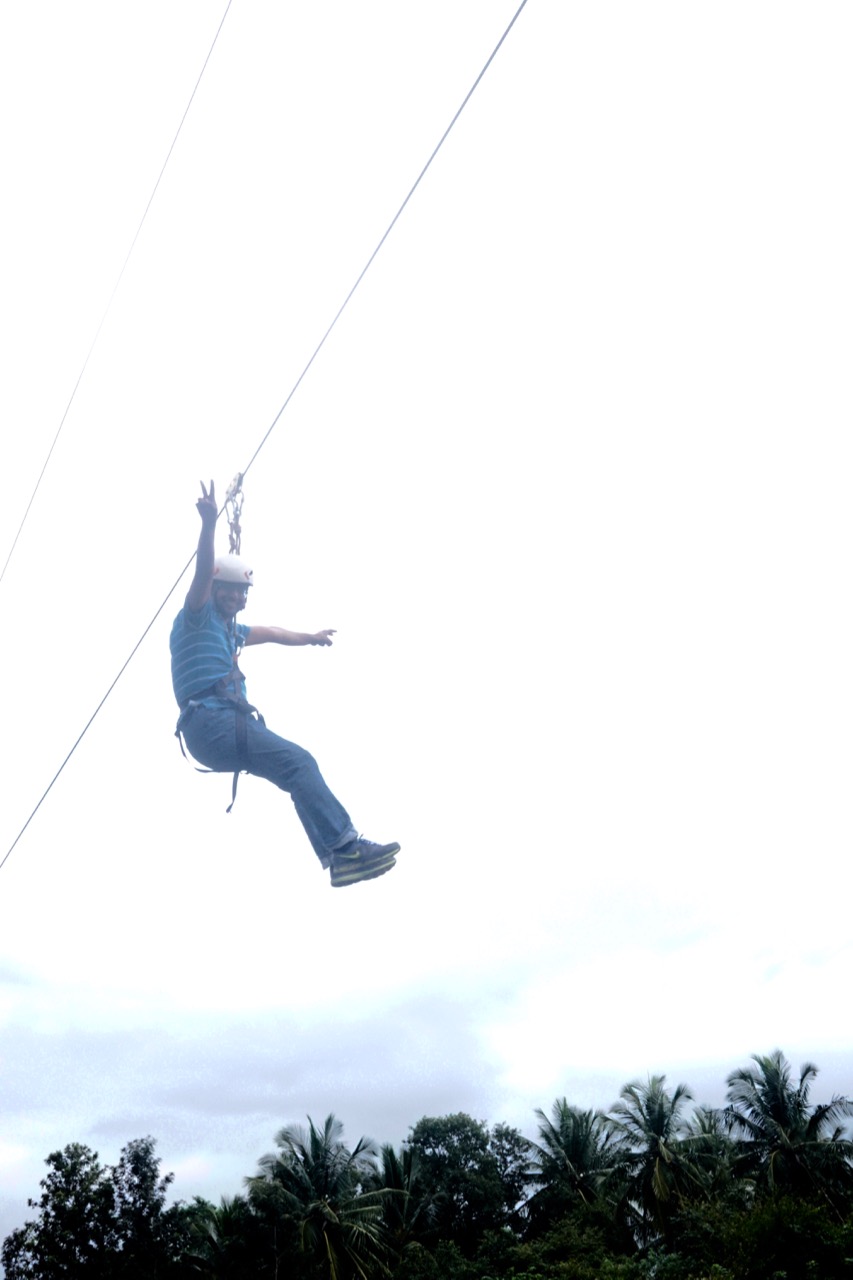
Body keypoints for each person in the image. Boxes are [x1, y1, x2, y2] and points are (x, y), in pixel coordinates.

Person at [170, 480, 400, 887]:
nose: (236, 599)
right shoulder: (197, 616)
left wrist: (310, 637)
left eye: (241, 594)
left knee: (297, 769)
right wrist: (208, 525)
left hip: (224, 728)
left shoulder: (230, 631)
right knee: (301, 762)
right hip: (211, 723)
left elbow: (272, 631)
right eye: (230, 591)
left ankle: (341, 857)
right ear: (216, 590)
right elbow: (203, 571)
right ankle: (344, 846)